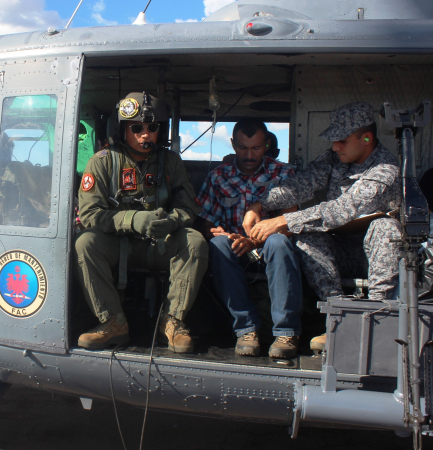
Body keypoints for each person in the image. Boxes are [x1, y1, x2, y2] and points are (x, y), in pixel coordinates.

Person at [243, 102, 402, 353]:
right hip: (342, 250)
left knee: (385, 228)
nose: (335, 146)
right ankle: (339, 321)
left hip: (375, 255)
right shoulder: (334, 159)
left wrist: (284, 221)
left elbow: (341, 209)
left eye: (342, 140)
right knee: (308, 238)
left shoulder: (385, 171)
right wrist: (259, 205)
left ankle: (375, 321)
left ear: (367, 138)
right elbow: (300, 185)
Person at [74, 92, 207, 353]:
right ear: (122, 129)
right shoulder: (102, 162)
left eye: (152, 128)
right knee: (86, 243)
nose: (145, 135)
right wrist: (133, 220)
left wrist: (171, 221)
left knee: (194, 241)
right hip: (117, 245)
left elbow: (188, 206)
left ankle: (173, 322)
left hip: (159, 245)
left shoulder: (170, 162)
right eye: (137, 128)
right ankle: (112, 321)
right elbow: (90, 214)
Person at [197, 120, 302, 358]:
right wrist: (217, 231)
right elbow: (205, 221)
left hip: (271, 249)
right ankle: (246, 330)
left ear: (266, 145)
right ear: (233, 144)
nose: (249, 155)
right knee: (218, 244)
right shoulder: (218, 177)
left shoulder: (283, 174)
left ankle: (286, 332)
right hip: (234, 248)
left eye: (256, 148)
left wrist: (255, 241)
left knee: (278, 242)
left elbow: (291, 225)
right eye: (243, 148)